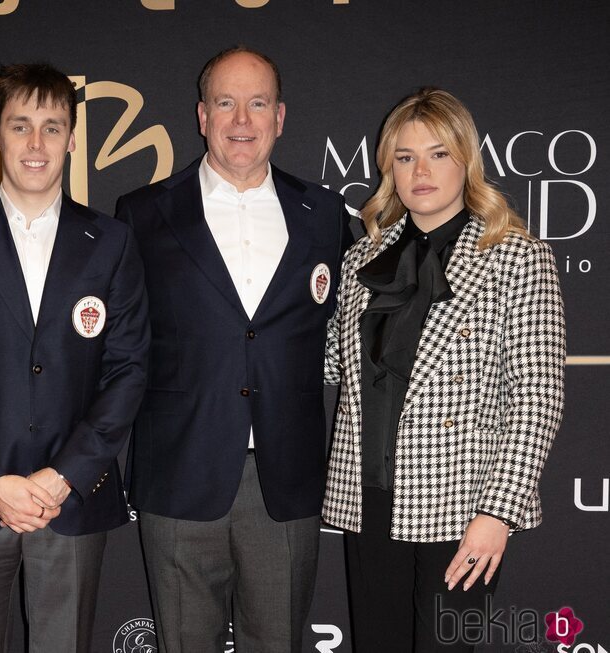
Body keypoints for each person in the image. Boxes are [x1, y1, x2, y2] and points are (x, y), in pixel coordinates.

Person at [116, 46, 353, 652]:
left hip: (286, 479)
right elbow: (121, 346)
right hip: (178, 475)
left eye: (257, 104)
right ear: (202, 116)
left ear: (280, 116)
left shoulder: (324, 213)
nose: (241, 120)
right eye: (226, 103)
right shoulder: (142, 214)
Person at [0, 63, 149, 653]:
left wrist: (64, 476)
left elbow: (127, 369)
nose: (36, 143)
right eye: (20, 126)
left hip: (70, 500)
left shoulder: (112, 241)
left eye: (52, 126)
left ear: (73, 138)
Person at [322, 87, 565, 652]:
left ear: (466, 161)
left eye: (438, 154)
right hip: (369, 499)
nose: (421, 171)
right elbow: (334, 365)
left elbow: (538, 397)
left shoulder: (516, 256)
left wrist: (497, 515)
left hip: (461, 506)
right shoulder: (361, 260)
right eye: (405, 158)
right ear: (389, 169)